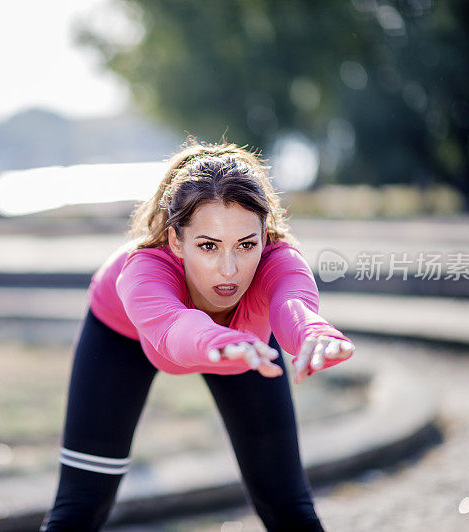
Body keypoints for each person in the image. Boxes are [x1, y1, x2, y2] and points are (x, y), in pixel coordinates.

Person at [40, 140, 355, 531]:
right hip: (121, 333)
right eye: (208, 246)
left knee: (288, 505)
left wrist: (312, 330)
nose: (229, 269)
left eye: (246, 244)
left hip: (243, 349)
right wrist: (218, 341)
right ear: (176, 241)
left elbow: (295, 305)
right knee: (79, 508)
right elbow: (174, 327)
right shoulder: (143, 271)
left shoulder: (279, 260)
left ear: (265, 235)